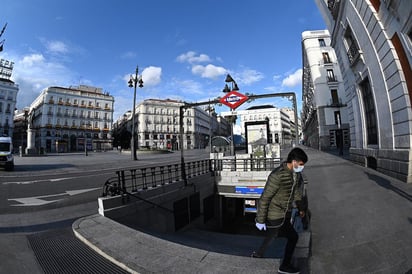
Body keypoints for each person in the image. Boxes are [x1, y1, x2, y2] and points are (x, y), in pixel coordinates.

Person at [251, 147, 308, 274]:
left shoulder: (296, 174)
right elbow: (265, 198)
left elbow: (297, 193)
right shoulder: (277, 175)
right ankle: (284, 266)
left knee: (273, 235)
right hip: (275, 214)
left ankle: (258, 254)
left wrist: (301, 208)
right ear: (293, 161)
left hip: (285, 212)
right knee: (293, 237)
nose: (302, 167)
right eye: (301, 164)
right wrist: (260, 220)